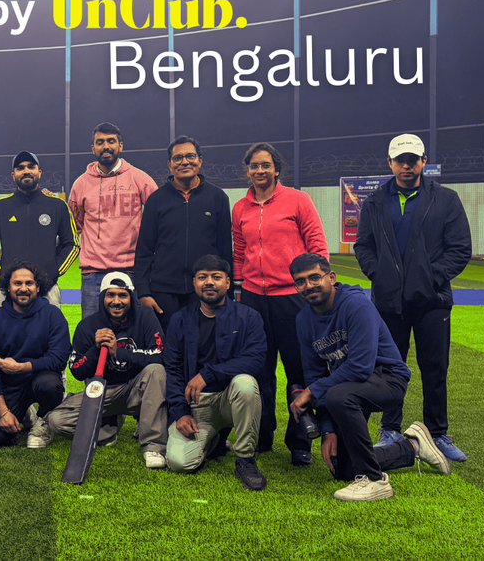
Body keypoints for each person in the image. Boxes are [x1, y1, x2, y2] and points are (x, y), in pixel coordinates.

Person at [288, 253, 451, 501]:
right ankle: (413, 446)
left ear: (331, 277)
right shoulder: (303, 320)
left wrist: (311, 392)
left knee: (337, 395)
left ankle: (375, 480)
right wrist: (328, 430)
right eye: (300, 281)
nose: (308, 285)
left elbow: (360, 367)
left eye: (315, 278)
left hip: (388, 379)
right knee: (343, 468)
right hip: (347, 388)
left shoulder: (356, 305)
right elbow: (315, 375)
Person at [354, 134, 472, 462]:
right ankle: (389, 428)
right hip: (389, 302)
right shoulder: (375, 201)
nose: (406, 166)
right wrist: (380, 275)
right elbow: (363, 246)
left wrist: (430, 278)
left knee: (435, 368)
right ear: (390, 163)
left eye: (412, 160)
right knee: (390, 369)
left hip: (432, 301)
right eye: (400, 160)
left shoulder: (446, 199)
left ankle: (437, 433)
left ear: (423, 161)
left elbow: (460, 248)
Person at [231, 142, 329, 464]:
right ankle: (261, 437)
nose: (260, 170)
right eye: (254, 165)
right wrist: (238, 292)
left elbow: (317, 245)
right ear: (247, 170)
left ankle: (300, 442)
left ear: (276, 169)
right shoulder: (240, 208)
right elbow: (239, 252)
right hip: (253, 300)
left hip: (292, 298)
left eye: (266, 165)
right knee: (259, 371)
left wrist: (314, 286)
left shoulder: (298, 200)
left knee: (298, 370)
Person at [162, 256, 268, 490]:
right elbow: (173, 369)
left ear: (228, 283)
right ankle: (215, 439)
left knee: (245, 383)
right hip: (196, 405)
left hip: (230, 401)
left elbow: (255, 359)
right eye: (202, 277)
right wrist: (181, 412)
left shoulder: (249, 317)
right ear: (194, 283)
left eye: (216, 277)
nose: (209, 282)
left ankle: (245, 459)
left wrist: (208, 374)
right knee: (180, 463)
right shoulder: (180, 320)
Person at [46, 272, 167, 469]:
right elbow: (76, 370)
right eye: (110, 295)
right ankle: (107, 429)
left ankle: (153, 446)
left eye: (122, 295)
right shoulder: (88, 326)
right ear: (102, 297)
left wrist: (119, 352)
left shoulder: (145, 316)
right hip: (103, 393)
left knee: (156, 370)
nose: (116, 301)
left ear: (131, 297)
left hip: (137, 389)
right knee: (57, 421)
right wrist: (95, 349)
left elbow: (161, 355)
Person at [134, 136, 232, 332]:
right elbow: (144, 250)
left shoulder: (218, 197)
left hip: (205, 290)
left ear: (200, 160)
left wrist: (226, 293)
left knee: (204, 344)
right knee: (170, 346)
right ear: (170, 164)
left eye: (190, 156)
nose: (184, 162)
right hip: (163, 293)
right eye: (178, 158)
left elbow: (225, 250)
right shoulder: (156, 200)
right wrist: (143, 292)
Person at [67, 123, 158, 318]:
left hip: (132, 270)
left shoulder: (140, 179)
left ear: (120, 146)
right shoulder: (81, 184)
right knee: (92, 330)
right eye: (100, 142)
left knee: (133, 330)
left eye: (111, 141)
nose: (106, 146)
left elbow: (158, 219)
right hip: (93, 273)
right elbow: (73, 226)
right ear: (93, 148)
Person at [0, 260, 71, 448]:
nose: (23, 288)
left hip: (41, 379)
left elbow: (59, 359)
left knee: (50, 385)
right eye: (17, 283)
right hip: (10, 386)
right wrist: (3, 411)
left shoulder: (52, 315)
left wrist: (21, 367)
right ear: (8, 288)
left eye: (29, 283)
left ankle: (43, 420)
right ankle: (25, 412)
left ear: (38, 287)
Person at [0, 151, 79, 308]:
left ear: (39, 172)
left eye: (31, 167)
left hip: (47, 289)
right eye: (20, 168)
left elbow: (72, 244)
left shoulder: (58, 206)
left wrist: (54, 271)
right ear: (13, 175)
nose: (26, 171)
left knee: (50, 325)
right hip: (9, 289)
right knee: (2, 325)